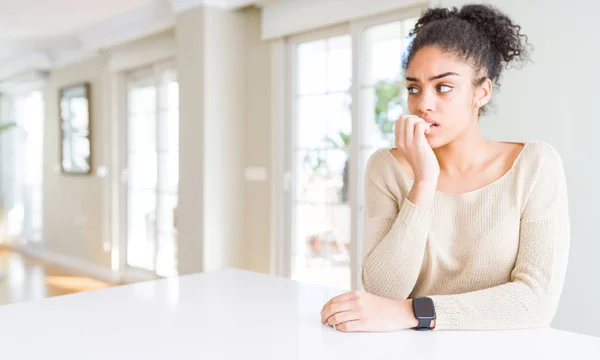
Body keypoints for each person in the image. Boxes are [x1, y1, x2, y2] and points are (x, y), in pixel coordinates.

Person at [320, 4, 570, 332]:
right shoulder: (387, 167)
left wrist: (412, 312)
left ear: (481, 92)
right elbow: (382, 292)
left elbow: (536, 301)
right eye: (413, 88)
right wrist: (424, 181)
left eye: (443, 87)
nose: (423, 103)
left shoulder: (536, 166)